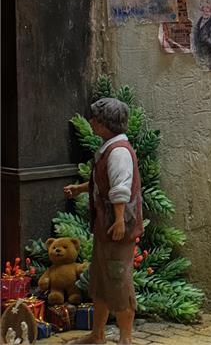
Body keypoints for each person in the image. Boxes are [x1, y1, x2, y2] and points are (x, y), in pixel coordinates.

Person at [63, 98, 143, 345]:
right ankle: (97, 335)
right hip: (104, 229)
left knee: (119, 283)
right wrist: (79, 189)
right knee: (100, 281)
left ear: (104, 124)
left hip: (117, 229)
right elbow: (102, 184)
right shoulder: (109, 148)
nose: (91, 123)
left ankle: (125, 339)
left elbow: (120, 189)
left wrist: (119, 220)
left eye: (95, 119)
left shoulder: (118, 152)